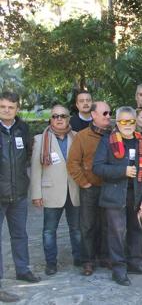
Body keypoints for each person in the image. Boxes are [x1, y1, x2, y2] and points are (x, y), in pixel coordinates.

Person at [92, 106, 142, 286]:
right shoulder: (106, 141)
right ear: (117, 123)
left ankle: (135, 263)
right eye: (123, 121)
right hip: (114, 196)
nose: (127, 125)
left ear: (135, 122)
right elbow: (97, 167)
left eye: (131, 121)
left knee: (136, 230)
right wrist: (122, 171)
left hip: (137, 195)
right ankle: (118, 269)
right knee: (117, 233)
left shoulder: (141, 142)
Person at [31, 105, 81, 276]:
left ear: (68, 118)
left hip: (74, 191)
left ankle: (79, 259)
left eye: (63, 116)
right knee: (49, 231)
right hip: (51, 192)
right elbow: (36, 169)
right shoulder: (40, 139)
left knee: (76, 229)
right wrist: (36, 194)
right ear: (51, 119)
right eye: (55, 116)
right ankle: (51, 263)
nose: (59, 119)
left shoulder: (77, 137)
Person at [0, 92, 40, 302]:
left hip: (19, 193)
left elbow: (27, 157)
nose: (6, 110)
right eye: (3, 106)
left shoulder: (23, 129)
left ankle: (23, 270)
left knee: (20, 235)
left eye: (10, 107)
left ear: (17, 108)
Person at [67, 101, 112, 276]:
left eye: (109, 113)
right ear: (93, 115)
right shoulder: (82, 136)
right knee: (87, 225)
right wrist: (84, 183)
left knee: (107, 224)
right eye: (105, 113)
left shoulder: (113, 134)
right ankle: (88, 260)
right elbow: (73, 163)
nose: (108, 116)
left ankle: (105, 256)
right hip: (90, 188)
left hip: (109, 187)